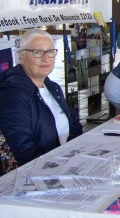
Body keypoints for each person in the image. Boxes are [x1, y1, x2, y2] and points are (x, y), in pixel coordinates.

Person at [0, 29, 82, 166]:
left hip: (65, 161)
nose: (46, 58)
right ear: (21, 56)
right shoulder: (13, 95)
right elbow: (23, 150)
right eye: (37, 52)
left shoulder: (52, 87)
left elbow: (75, 124)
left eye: (50, 51)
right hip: (39, 170)